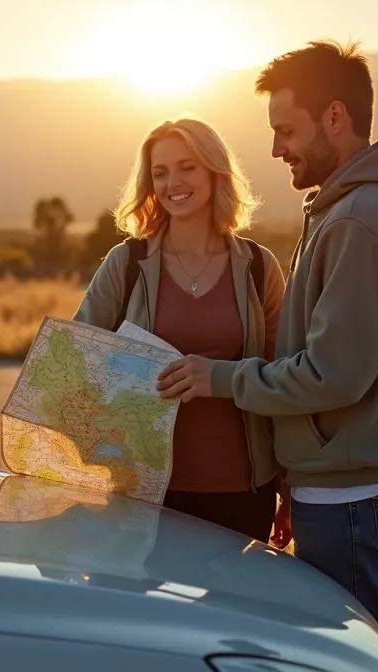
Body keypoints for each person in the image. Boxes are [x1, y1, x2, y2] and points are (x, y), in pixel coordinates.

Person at [155, 40, 378, 650]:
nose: (277, 148)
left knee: (353, 652)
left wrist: (219, 377)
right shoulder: (352, 209)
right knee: (342, 647)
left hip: (352, 494)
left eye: (286, 130)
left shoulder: (360, 219)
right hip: (342, 485)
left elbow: (334, 375)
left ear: (335, 117)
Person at [72, 117, 291, 546]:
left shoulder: (259, 267)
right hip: (139, 495)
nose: (173, 181)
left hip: (242, 493)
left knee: (235, 614)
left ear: (214, 170)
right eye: (160, 172)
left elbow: (284, 381)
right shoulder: (126, 263)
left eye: (187, 167)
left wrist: (291, 488)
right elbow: (75, 359)